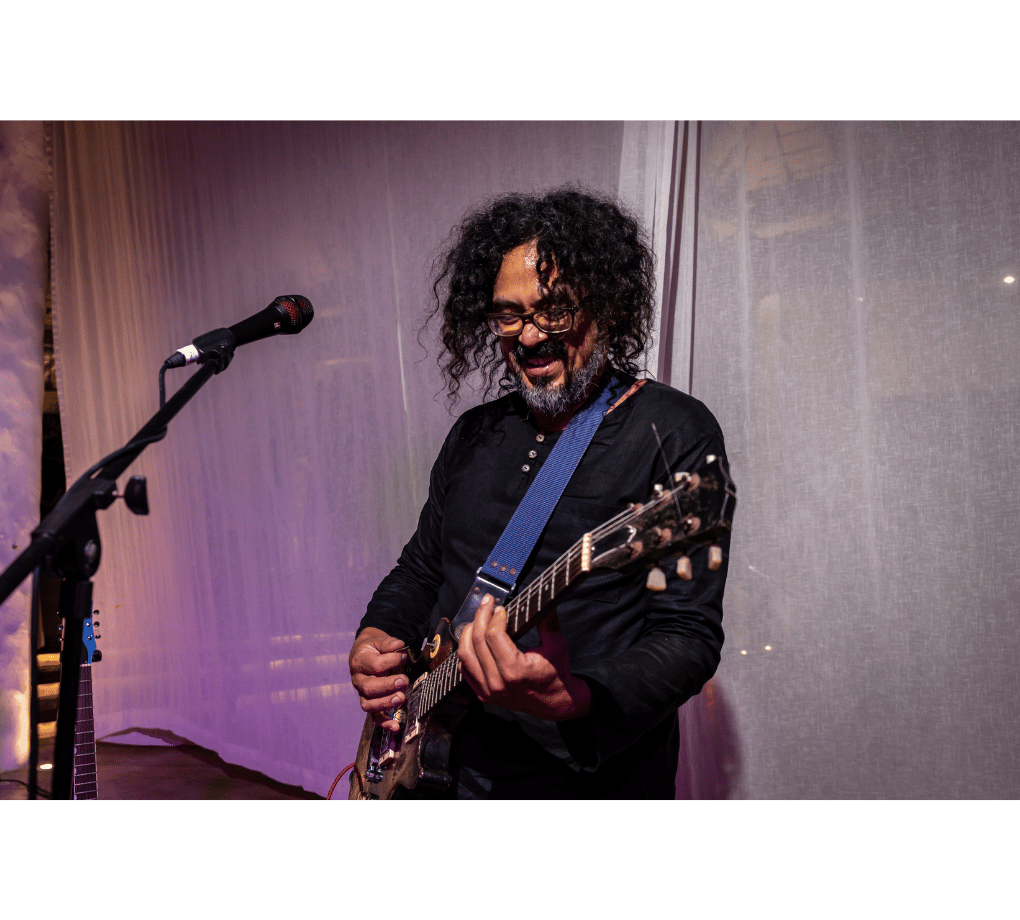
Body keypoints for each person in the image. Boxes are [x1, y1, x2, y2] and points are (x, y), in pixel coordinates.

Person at [349, 188, 728, 799]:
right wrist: (374, 638)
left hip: (581, 781)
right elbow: (421, 570)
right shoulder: (474, 433)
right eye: (508, 314)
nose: (527, 337)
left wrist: (574, 697)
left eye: (552, 311)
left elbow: (687, 637)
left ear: (606, 305)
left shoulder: (673, 432)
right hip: (437, 765)